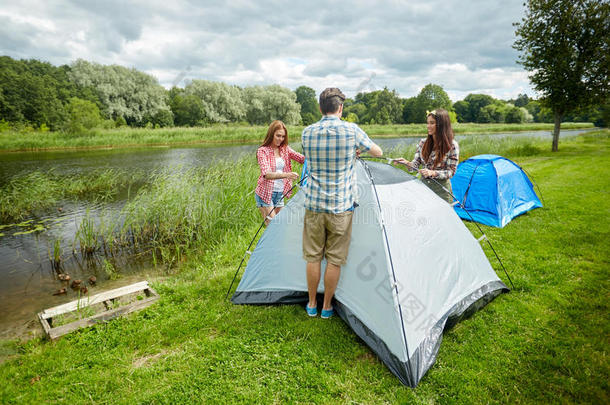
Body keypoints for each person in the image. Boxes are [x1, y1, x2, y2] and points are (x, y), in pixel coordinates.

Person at [301, 88, 383, 319]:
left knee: (313, 257)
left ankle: (310, 304)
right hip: (341, 207)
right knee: (334, 260)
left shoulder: (307, 133)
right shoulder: (351, 130)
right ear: (340, 108)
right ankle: (327, 306)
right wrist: (354, 151)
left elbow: (311, 159)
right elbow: (378, 152)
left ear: (320, 108)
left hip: (314, 204)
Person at [393, 108, 459, 202]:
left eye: (432, 123)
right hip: (423, 189)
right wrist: (406, 163)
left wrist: (433, 173)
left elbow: (451, 172)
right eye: (427, 123)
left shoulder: (452, 145)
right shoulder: (423, 143)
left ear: (442, 125)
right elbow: (414, 166)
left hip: (442, 192)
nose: (428, 126)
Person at [255, 120, 305, 225]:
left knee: (281, 226)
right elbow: (266, 174)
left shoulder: (285, 149)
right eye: (278, 136)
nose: (281, 139)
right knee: (273, 227)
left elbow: (302, 159)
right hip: (266, 194)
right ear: (271, 134)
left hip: (280, 193)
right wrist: (287, 175)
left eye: (283, 137)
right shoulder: (262, 151)